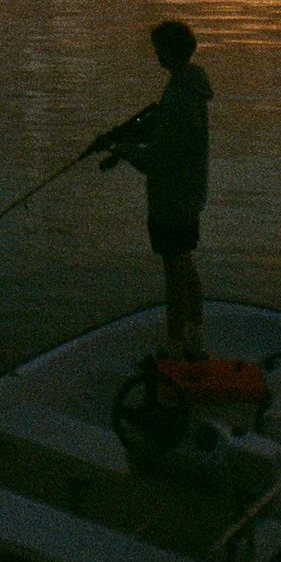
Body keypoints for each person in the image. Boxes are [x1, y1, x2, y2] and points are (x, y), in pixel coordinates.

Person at [96, 19, 212, 357]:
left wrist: (125, 150)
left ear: (170, 51)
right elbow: (160, 130)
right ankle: (195, 335)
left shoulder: (179, 97)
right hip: (189, 194)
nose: (156, 54)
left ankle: (176, 344)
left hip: (172, 198)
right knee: (185, 263)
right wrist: (120, 141)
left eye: (159, 48)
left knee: (174, 272)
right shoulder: (190, 85)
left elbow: (158, 158)